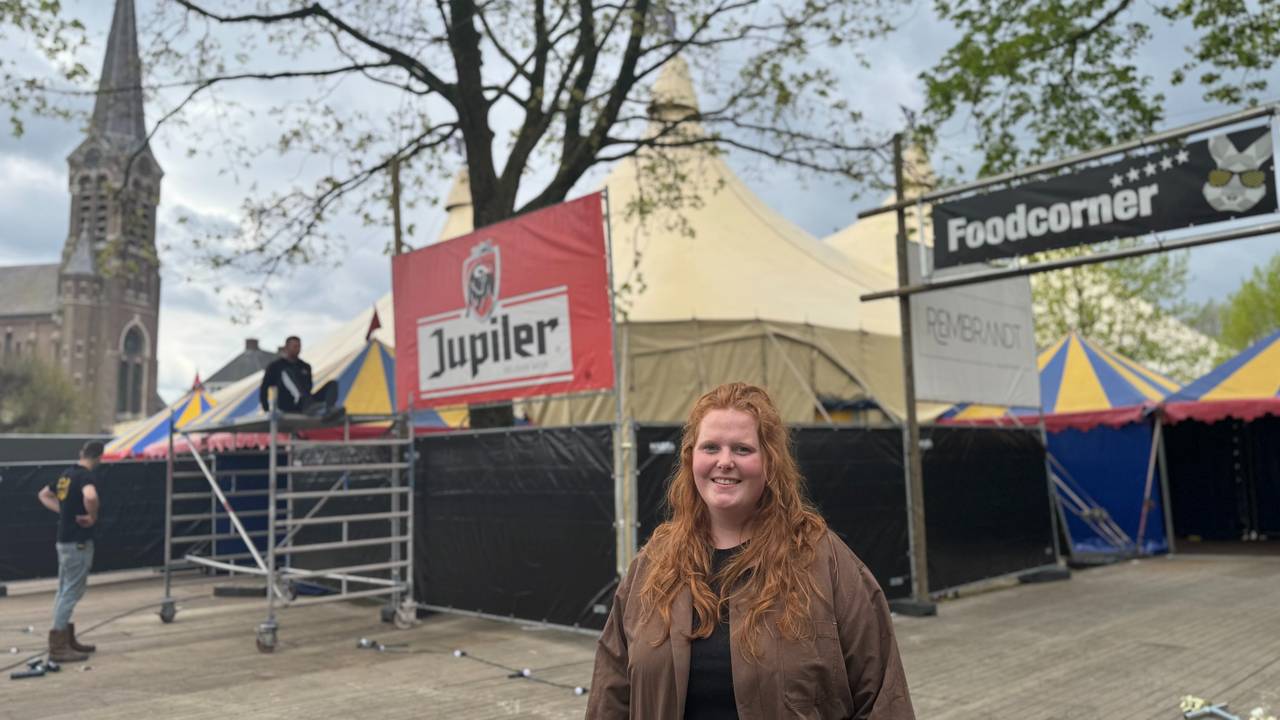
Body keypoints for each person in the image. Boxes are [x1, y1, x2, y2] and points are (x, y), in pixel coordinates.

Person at [587, 383, 915, 718]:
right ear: (691, 458)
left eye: (743, 449)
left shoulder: (822, 560)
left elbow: (883, 696)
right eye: (711, 447)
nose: (724, 461)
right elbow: (610, 694)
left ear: (770, 462)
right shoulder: (654, 565)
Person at [36, 440, 104, 663]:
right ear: (99, 457)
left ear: (81, 453)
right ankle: (58, 646)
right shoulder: (85, 476)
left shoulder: (65, 475)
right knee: (72, 591)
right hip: (78, 542)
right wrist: (92, 516)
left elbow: (44, 494)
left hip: (63, 541)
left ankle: (65, 638)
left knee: (64, 589)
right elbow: (91, 496)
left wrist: (63, 511)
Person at [259, 335, 340, 416]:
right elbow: (264, 387)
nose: (297, 349)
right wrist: (266, 409)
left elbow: (309, 386)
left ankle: (329, 410)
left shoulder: (305, 366)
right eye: (294, 346)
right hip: (287, 405)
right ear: (286, 348)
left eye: (299, 346)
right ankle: (306, 403)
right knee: (287, 372)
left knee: (332, 384)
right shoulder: (276, 366)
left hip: (307, 403)